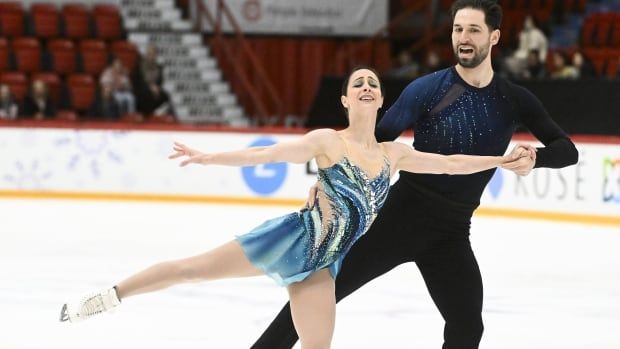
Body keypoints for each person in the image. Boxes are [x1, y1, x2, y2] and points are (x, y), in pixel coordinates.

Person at [59, 67, 532, 349]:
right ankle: (109, 297)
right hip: (292, 238)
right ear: (347, 99)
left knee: (318, 344)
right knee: (191, 270)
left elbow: (451, 165)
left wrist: (502, 160)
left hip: (323, 265)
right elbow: (267, 154)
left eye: (372, 83)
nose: (366, 87)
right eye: (357, 84)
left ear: (381, 98)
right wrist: (209, 156)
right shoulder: (328, 140)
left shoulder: (395, 155)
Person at [251, 1, 578, 348]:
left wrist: (535, 158)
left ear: (494, 37)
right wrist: (327, 180)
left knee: (467, 327)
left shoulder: (514, 99)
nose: (463, 38)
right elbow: (370, 143)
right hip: (396, 219)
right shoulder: (428, 89)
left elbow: (567, 151)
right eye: (457, 29)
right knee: (318, 294)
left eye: (473, 30)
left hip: (451, 233)